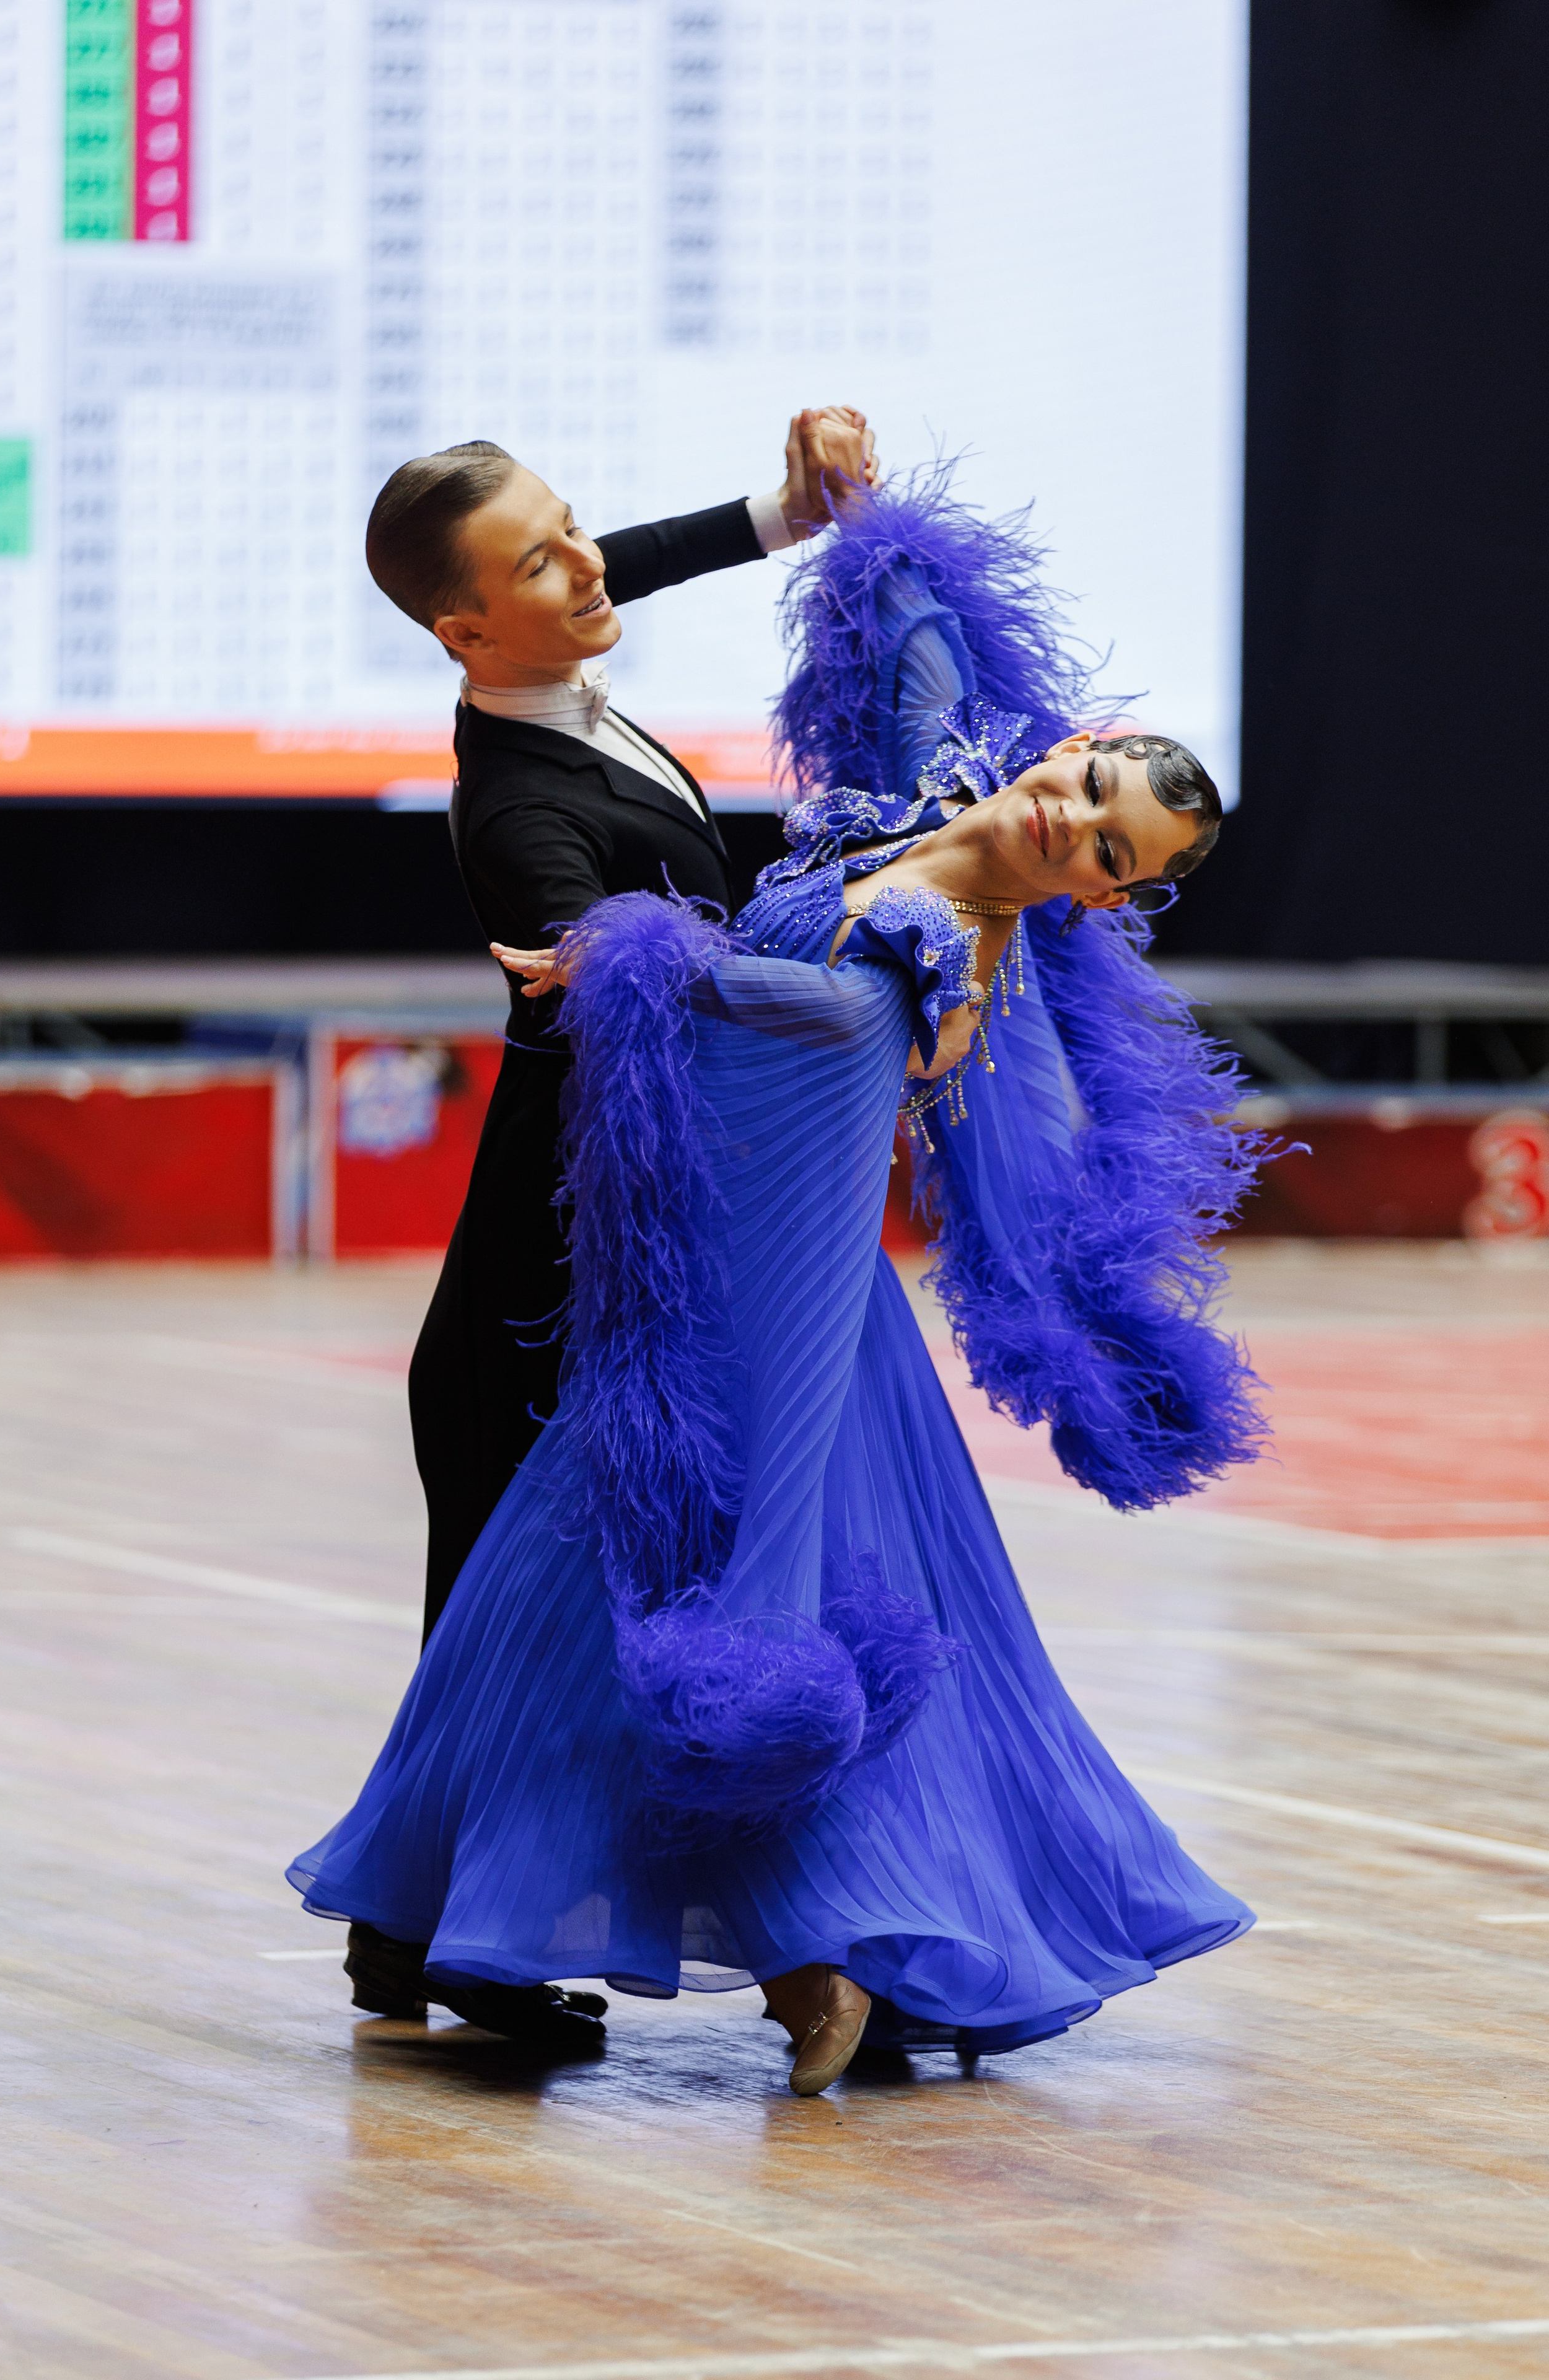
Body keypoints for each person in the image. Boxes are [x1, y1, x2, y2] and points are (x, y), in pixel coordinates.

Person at [292, 467, 1272, 2092]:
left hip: (768, 1305)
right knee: (544, 1601)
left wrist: (637, 956)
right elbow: (904, 641)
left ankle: (831, 1946)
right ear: (1069, 739)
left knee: (700, 1595)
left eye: (1109, 851)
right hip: (602, 1278)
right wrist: (854, 520)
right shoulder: (860, 813)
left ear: (1113, 891)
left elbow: (969, 1131)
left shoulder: (970, 962)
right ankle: (469, 1935)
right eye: (1090, 786)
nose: (1071, 827)